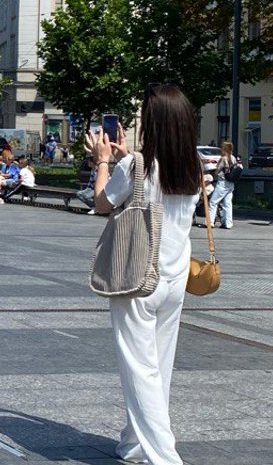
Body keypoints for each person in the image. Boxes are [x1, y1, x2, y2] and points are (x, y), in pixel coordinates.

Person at [89, 83, 201, 465]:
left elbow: (103, 203)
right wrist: (124, 159)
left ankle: (165, 458)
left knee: (141, 371)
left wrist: (103, 162)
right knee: (160, 368)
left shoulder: (134, 164)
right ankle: (134, 443)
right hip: (175, 278)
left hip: (136, 276)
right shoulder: (193, 166)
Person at [208, 141, 239, 230]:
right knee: (227, 204)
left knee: (213, 202)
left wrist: (214, 170)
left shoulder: (223, 158)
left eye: (222, 147)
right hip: (231, 183)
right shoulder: (233, 158)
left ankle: (210, 222)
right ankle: (228, 223)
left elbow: (217, 171)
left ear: (224, 149)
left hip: (222, 182)